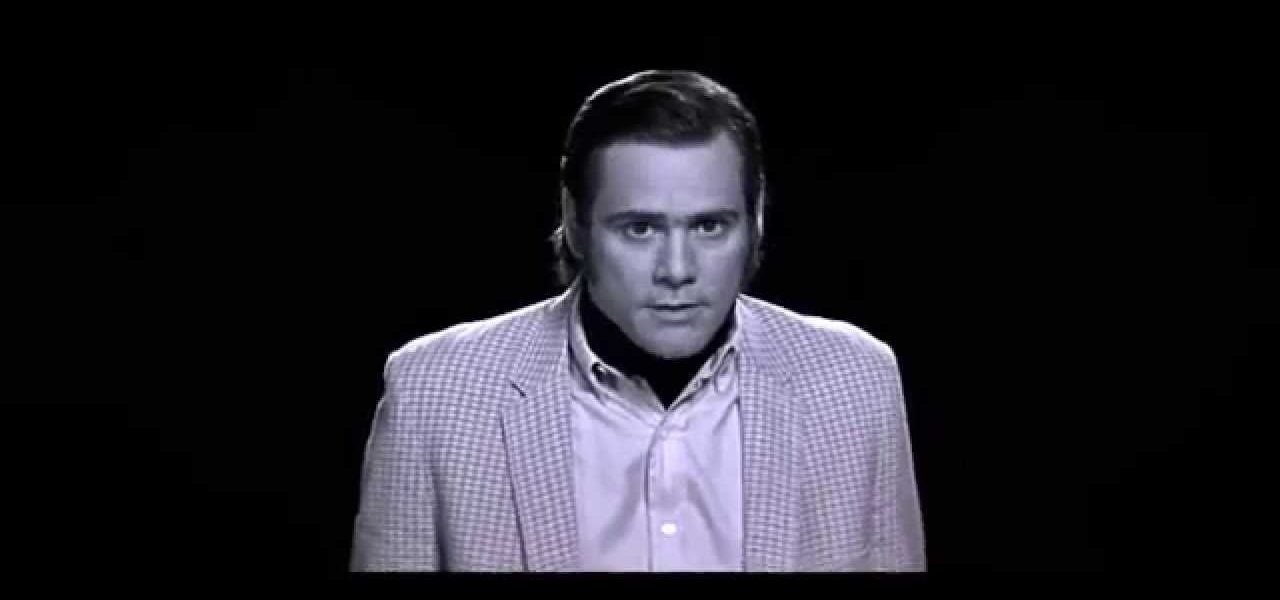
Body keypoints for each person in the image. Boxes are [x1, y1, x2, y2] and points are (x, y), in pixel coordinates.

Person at [349, 70, 925, 572]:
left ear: (756, 220)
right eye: (640, 229)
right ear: (576, 223)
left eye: (709, 227)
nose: (677, 271)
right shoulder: (432, 393)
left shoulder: (856, 381)